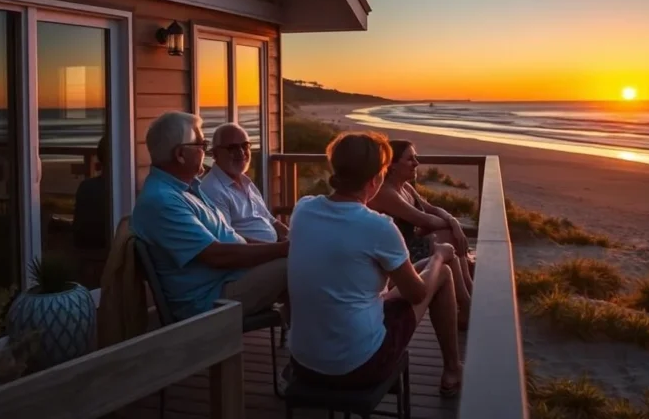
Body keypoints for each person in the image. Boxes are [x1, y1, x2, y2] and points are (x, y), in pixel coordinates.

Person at [287, 131, 463, 397]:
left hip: (303, 362)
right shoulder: (377, 226)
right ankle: (453, 367)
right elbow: (417, 293)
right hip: (358, 365)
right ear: (377, 176)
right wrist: (439, 255)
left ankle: (453, 364)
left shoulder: (303, 209)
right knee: (442, 272)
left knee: (420, 270)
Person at [131, 111, 289, 322]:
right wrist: (283, 250)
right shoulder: (162, 201)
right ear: (180, 154)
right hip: (210, 299)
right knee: (299, 264)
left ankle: (307, 347)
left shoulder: (188, 188)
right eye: (201, 146)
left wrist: (280, 248)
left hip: (231, 279)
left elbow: (231, 237)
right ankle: (317, 349)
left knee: (302, 263)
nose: (205, 152)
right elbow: (217, 255)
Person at [368, 140, 475, 327]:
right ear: (391, 166)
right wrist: (450, 226)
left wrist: (453, 222)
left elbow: (432, 209)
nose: (416, 163)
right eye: (410, 159)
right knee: (447, 239)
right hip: (397, 258)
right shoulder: (387, 193)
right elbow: (425, 220)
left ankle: (468, 298)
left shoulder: (406, 187)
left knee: (448, 236)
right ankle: (467, 302)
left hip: (410, 246)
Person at [199, 122, 287, 243]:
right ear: (215, 154)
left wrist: (293, 238)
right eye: (232, 148)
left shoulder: (245, 181)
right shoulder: (213, 190)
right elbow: (227, 241)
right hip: (253, 258)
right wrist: (277, 249)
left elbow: (270, 220)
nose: (241, 152)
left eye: (245, 146)